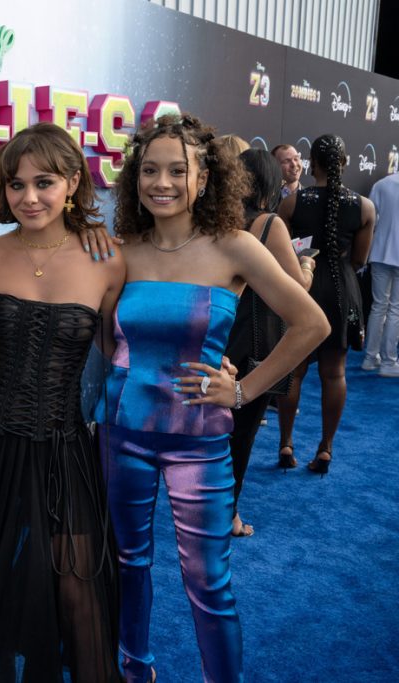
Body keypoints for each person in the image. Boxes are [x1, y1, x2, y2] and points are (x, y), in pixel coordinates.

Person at [101, 114, 328, 683]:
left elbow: (311, 323)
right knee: (127, 565)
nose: (162, 182)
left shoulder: (236, 247)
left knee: (209, 581)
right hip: (120, 432)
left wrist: (245, 390)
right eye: (149, 170)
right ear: (134, 178)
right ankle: (135, 671)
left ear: (205, 177)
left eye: (179, 170)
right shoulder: (118, 249)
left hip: (199, 442)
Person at [0, 122, 124, 682]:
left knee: (76, 583)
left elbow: (119, 352)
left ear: (72, 183)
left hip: (63, 446)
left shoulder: (108, 259)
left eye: (44, 182)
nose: (29, 197)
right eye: (15, 184)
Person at [224, 149, 316, 537]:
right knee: (241, 433)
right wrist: (308, 265)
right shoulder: (268, 223)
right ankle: (228, 515)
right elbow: (298, 289)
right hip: (254, 341)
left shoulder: (219, 221)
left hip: (219, 333)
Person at [276, 134, 375, 475]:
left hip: (301, 287)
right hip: (342, 290)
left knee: (294, 370)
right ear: (344, 164)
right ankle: (326, 448)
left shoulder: (292, 204)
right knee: (335, 373)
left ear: (312, 164)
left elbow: (281, 254)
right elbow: (360, 259)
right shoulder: (364, 207)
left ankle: (286, 443)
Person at [364, 170, 399, 376]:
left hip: (379, 252)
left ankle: (370, 358)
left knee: (378, 306)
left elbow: (370, 219)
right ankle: (388, 362)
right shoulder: (382, 184)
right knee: (395, 309)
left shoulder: (381, 184)